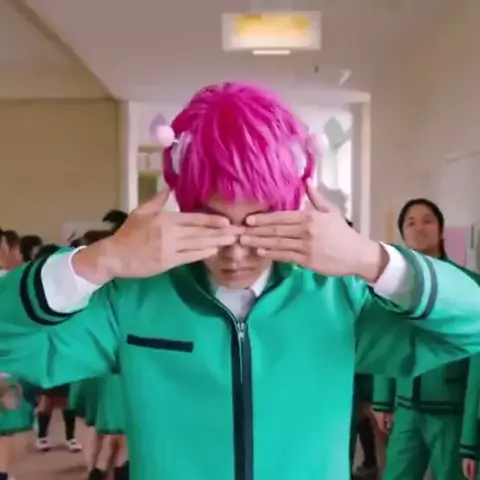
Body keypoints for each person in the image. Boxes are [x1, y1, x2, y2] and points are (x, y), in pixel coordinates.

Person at [2, 83, 480, 480]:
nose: (234, 251)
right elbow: (10, 343)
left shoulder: (336, 296)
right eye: (213, 225)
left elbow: (470, 323)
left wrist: (369, 258)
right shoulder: (134, 299)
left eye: (259, 226)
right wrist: (101, 259)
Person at [372, 198, 480, 480]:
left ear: (442, 230)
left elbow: (478, 366)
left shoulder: (468, 284)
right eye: (411, 222)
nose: (419, 227)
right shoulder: (395, 286)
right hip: (406, 409)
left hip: (452, 413)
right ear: (403, 234)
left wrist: (471, 437)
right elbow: (384, 341)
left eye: (427, 220)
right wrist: (383, 400)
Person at [31, 243, 82, 453]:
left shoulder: (68, 286)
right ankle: (42, 436)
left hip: (66, 348)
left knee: (68, 398)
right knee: (47, 398)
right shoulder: (35, 287)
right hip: (46, 350)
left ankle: (71, 437)